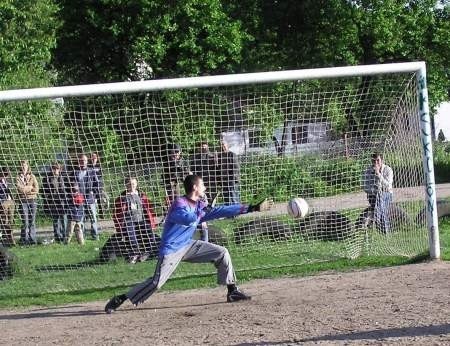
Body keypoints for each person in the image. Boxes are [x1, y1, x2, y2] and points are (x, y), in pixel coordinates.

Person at [104, 174, 271, 313]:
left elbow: (219, 211)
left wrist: (249, 208)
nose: (205, 187)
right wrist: (202, 210)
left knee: (222, 252)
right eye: (202, 185)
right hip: (171, 249)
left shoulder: (199, 205)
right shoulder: (179, 204)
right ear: (195, 188)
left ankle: (232, 291)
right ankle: (121, 298)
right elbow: (188, 219)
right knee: (156, 282)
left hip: (188, 245)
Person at [113, 177, 159, 263]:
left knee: (149, 235)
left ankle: (148, 252)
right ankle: (134, 254)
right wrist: (120, 226)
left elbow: (148, 208)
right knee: (131, 237)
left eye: (133, 184)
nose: (132, 186)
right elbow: (117, 213)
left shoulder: (141, 195)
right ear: (126, 185)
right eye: (130, 184)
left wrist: (151, 221)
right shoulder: (122, 197)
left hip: (141, 219)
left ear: (137, 184)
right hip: (129, 220)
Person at [65, 154, 100, 240]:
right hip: (79, 200)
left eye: (84, 160)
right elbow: (68, 184)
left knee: (93, 218)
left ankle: (95, 236)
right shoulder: (74, 172)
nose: (82, 162)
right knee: (81, 219)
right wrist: (73, 191)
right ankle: (82, 236)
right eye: (81, 161)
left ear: (87, 161)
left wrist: (94, 192)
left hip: (90, 199)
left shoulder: (92, 171)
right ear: (78, 162)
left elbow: (97, 184)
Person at [363, 152, 394, 233]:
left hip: (386, 194)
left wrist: (378, 174)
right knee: (380, 202)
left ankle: (375, 220)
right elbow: (365, 186)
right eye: (373, 161)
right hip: (373, 195)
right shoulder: (368, 170)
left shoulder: (388, 170)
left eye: (378, 160)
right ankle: (385, 230)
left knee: (381, 203)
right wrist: (374, 191)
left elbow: (388, 186)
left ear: (382, 160)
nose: (376, 163)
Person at [42, 162, 68, 243]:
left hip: (62, 202)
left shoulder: (63, 177)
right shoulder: (46, 178)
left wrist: (65, 197)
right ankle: (57, 237)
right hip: (52, 202)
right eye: (53, 168)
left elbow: (66, 189)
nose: (55, 170)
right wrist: (47, 198)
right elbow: (43, 191)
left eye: (57, 168)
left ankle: (65, 236)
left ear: (60, 169)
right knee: (56, 220)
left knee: (64, 219)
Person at [16, 160, 39, 245]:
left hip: (32, 200)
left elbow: (36, 189)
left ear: (27, 166)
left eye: (24, 166)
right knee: (25, 221)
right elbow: (19, 189)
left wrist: (26, 189)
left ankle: (32, 240)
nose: (23, 167)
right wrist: (30, 188)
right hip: (23, 201)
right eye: (22, 166)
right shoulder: (18, 177)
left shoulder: (32, 176)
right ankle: (24, 240)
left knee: (32, 221)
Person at [0, 167, 15, 247]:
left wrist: (13, 200)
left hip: (10, 202)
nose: (5, 176)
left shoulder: (8, 180)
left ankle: (11, 239)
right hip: (3, 203)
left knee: (11, 221)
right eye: (4, 174)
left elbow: (11, 189)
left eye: (7, 174)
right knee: (4, 221)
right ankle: (6, 239)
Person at [90, 152, 107, 219]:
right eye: (92, 157)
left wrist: (95, 173)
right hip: (91, 185)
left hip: (98, 185)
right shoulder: (89, 166)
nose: (94, 159)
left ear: (97, 158)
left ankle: (101, 213)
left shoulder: (99, 166)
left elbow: (100, 175)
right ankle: (91, 215)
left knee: (100, 198)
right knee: (91, 200)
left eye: (95, 158)